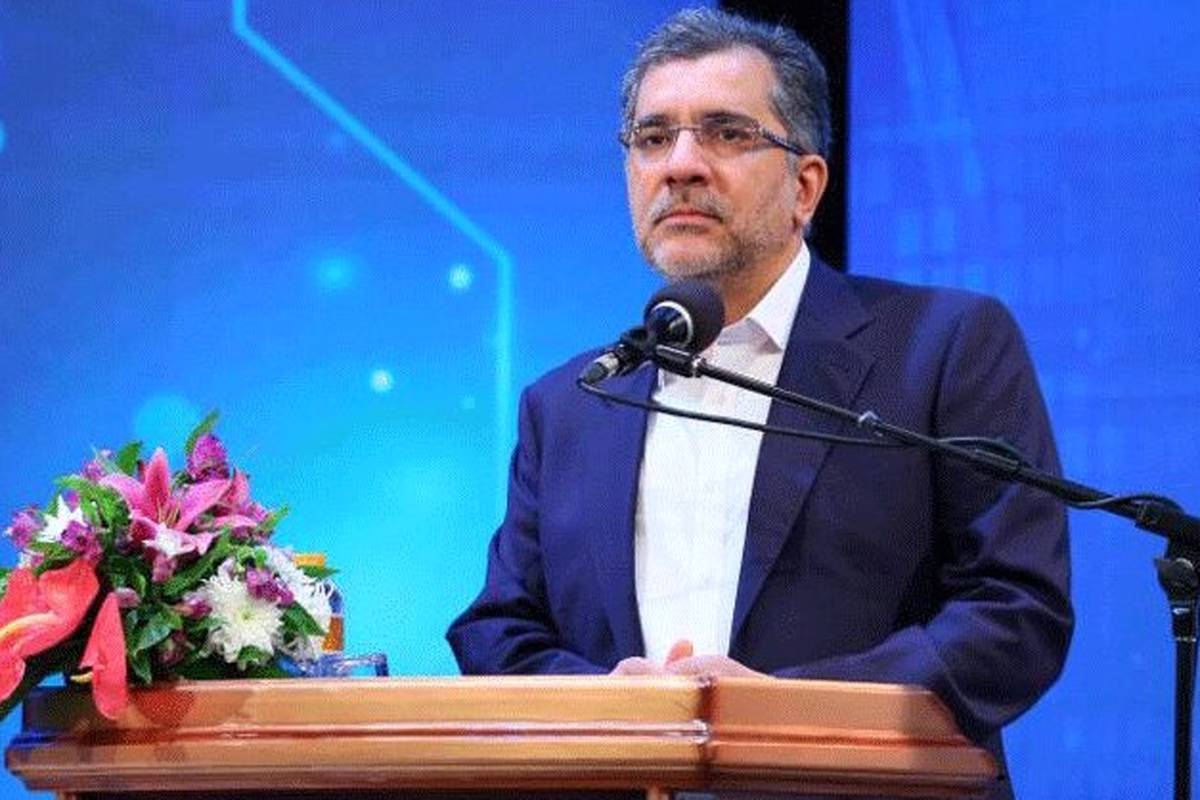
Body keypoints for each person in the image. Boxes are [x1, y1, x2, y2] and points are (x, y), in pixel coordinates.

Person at [447, 9, 1072, 799]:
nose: (681, 165)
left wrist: (780, 713)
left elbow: (1014, 613)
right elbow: (499, 630)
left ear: (805, 186)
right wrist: (609, 706)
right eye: (652, 137)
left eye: (726, 133)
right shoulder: (571, 402)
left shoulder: (941, 348)